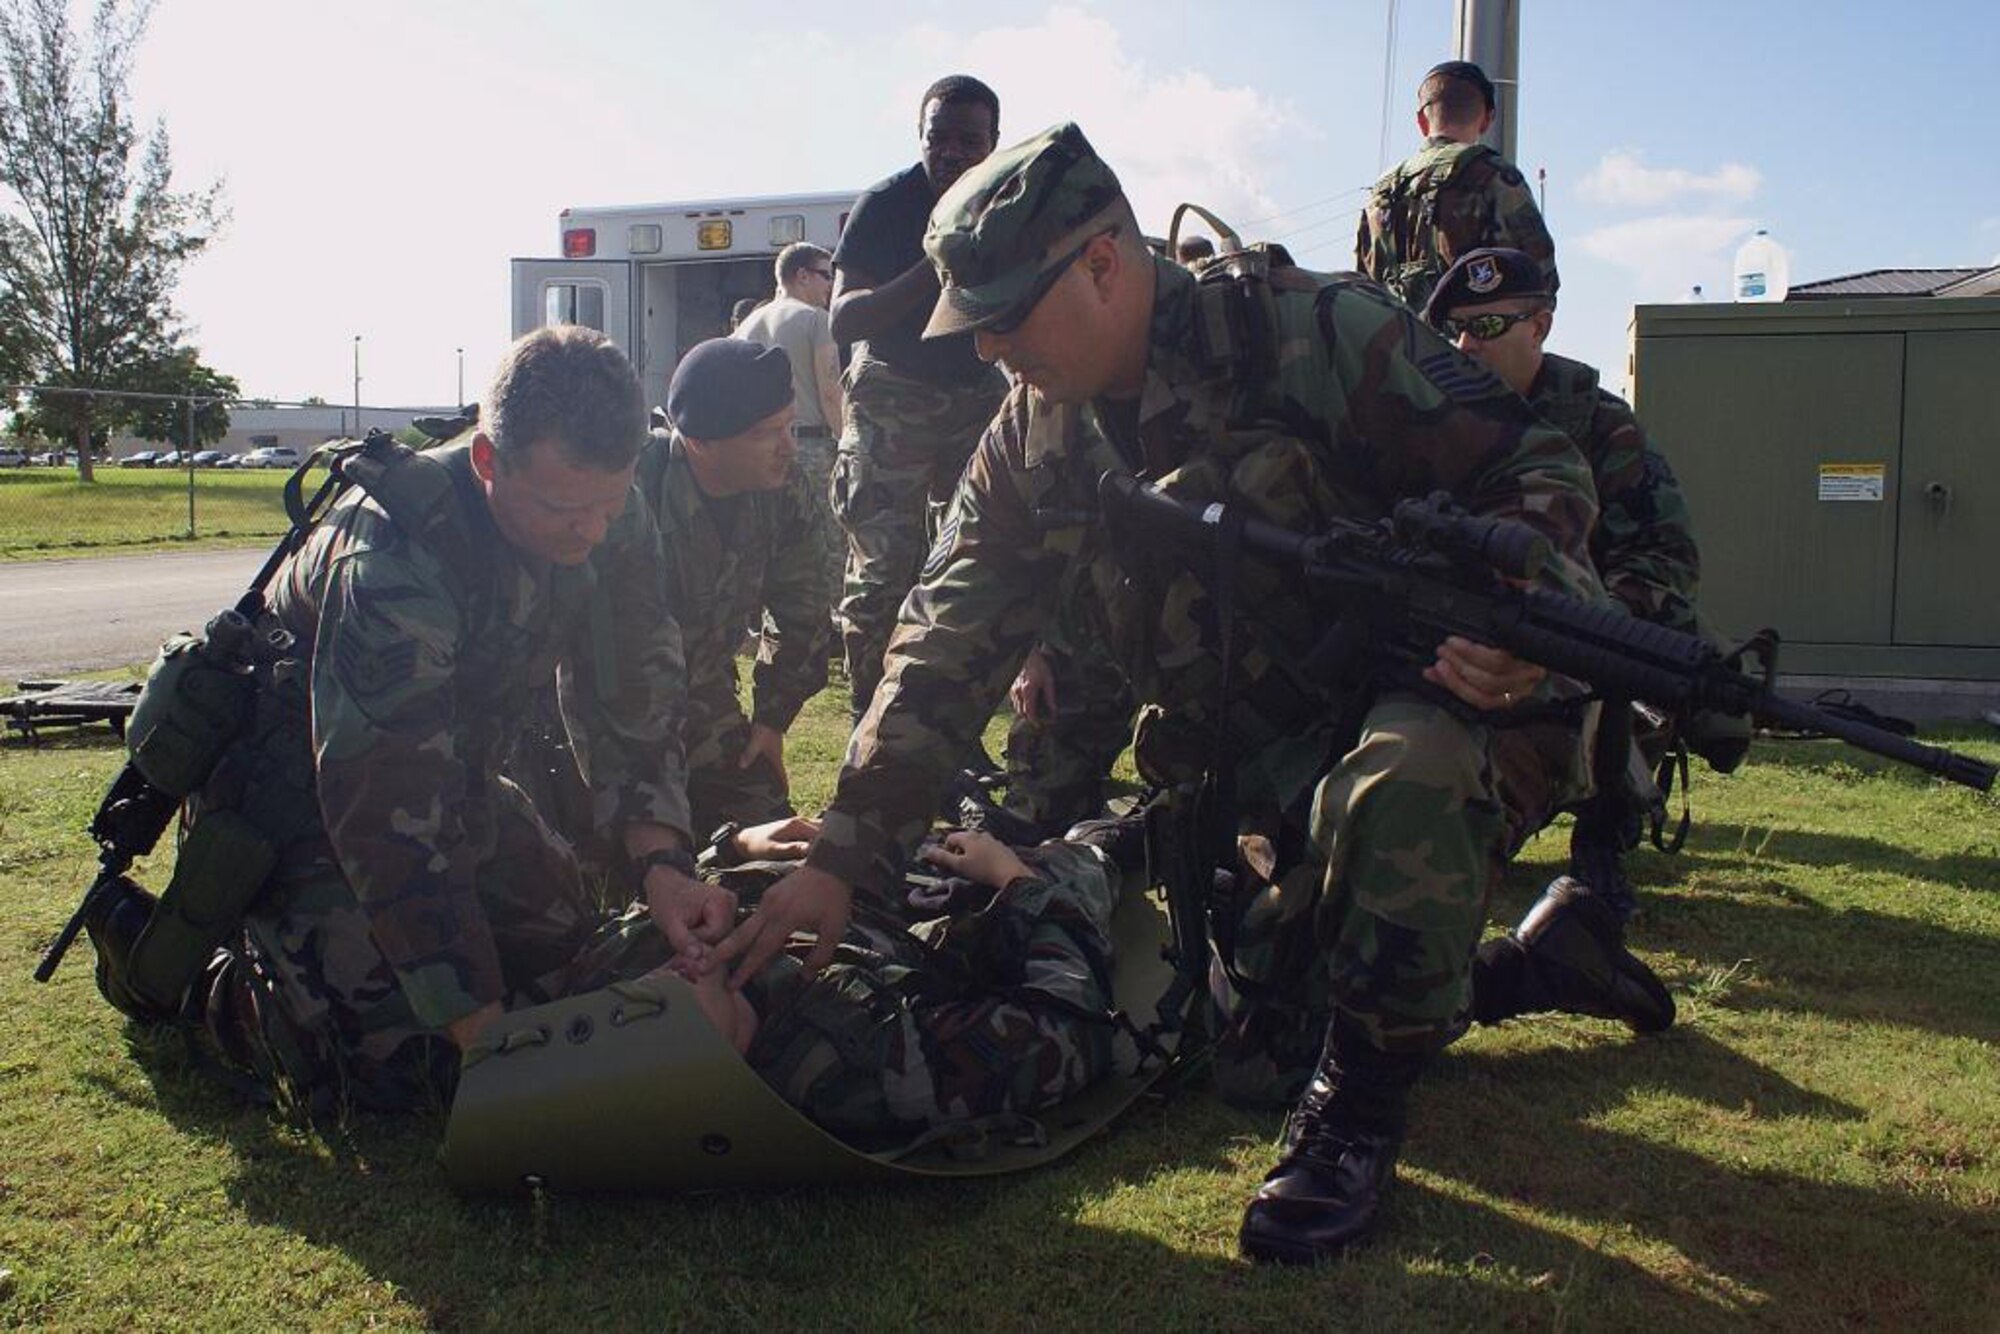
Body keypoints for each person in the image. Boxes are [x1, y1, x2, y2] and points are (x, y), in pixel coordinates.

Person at [710, 122, 1618, 1263]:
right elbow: (945, 637)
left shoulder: (1319, 338)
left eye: (1005, 314)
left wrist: (1514, 597)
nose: (988, 347)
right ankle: (1533, 965)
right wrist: (844, 852)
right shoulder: (1034, 431)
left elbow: (1537, 467)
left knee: (1403, 787)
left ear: (1102, 265)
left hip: (1443, 696)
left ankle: (1357, 1116)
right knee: (1251, 1042)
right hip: (1252, 765)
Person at [86, 328, 728, 1113]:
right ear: (489, 461)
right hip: (296, 804)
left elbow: (634, 688)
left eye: (610, 501)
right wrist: (487, 1042)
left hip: (450, 779)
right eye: (565, 508)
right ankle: (186, 976)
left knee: (562, 943)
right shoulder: (394, 556)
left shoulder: (603, 506)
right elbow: (381, 805)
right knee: (396, 1063)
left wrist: (661, 861)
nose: (591, 530)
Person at [1423, 247, 1703, 934]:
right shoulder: (1431, 424)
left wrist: (1581, 625)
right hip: (1459, 644)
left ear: (1539, 327)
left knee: (1624, 670)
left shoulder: (1602, 429)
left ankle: (1602, 839)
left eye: (1487, 327)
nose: (1465, 347)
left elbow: (1666, 560)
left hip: (1572, 649)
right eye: (1454, 330)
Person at [664, 818, 1125, 1146]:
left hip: (862, 867)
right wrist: (1014, 878)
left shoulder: (657, 955)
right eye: (666, 1022)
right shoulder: (868, 1069)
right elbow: (1072, 1024)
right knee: (1079, 861)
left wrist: (740, 843)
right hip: (969, 901)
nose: (653, 985)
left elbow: (676, 887)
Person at [827, 74, 1010, 720]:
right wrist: (934, 266)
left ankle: (951, 727)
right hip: (894, 394)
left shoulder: (1009, 204)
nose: (953, 153)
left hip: (976, 390)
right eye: (940, 138)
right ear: (921, 137)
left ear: (994, 144)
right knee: (883, 573)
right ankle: (871, 725)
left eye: (970, 140)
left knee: (981, 562)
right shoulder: (887, 205)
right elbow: (844, 320)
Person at [639, 338, 834, 841]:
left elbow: (803, 608)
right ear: (701, 441)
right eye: (766, 433)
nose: (789, 446)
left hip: (703, 705)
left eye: (789, 425)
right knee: (601, 877)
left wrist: (771, 721)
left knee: (771, 838)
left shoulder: (784, 489)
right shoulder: (635, 489)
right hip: (607, 721)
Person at [1355, 60, 1557, 315]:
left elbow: (1361, 288)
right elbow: (1540, 281)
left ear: (1421, 121)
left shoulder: (1380, 192)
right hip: (1467, 350)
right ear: (1487, 120)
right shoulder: (1495, 177)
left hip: (1389, 349)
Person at [735, 243, 846, 609]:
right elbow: (830, 392)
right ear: (801, 275)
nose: (831, 286)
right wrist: (848, 444)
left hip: (755, 452)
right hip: (808, 447)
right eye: (826, 275)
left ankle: (764, 620)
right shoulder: (816, 320)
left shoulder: (746, 327)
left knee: (769, 538)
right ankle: (834, 623)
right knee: (828, 539)